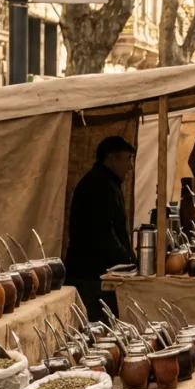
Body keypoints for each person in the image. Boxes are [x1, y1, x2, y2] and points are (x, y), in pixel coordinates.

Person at [65, 136, 139, 322]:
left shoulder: (105, 182)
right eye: (127, 159)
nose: (130, 166)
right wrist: (128, 261)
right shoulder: (99, 185)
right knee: (100, 328)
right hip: (92, 278)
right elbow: (104, 235)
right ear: (111, 159)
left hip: (95, 276)